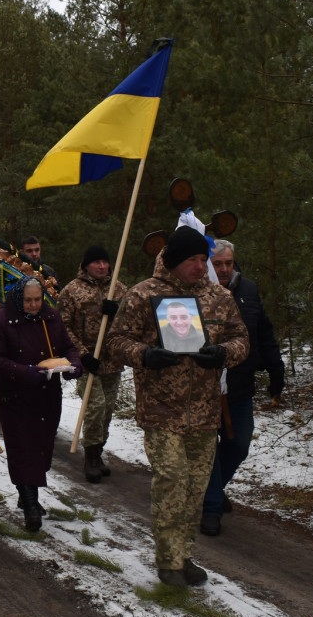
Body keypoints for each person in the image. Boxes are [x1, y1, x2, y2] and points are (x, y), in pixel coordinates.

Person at [106, 226, 249, 587]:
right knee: (172, 479)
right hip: (161, 409)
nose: (201, 267)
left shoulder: (219, 297)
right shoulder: (143, 294)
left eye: (204, 260)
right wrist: (145, 354)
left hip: (204, 412)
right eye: (193, 260)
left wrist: (224, 353)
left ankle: (183, 555)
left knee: (195, 487)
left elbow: (240, 339)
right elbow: (116, 341)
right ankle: (168, 560)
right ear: (173, 260)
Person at [200, 239, 286, 536]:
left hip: (240, 383)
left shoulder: (247, 290)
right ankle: (210, 507)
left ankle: (207, 489)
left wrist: (276, 369)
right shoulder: (197, 293)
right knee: (208, 447)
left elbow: (264, 332)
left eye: (228, 263)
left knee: (239, 443)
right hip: (204, 387)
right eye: (217, 263)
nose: (224, 269)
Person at [0, 276, 82, 531]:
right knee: (22, 450)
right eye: (28, 300)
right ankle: (30, 506)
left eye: (38, 299)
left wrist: (74, 366)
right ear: (19, 298)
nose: (33, 305)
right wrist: (22, 371)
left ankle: (26, 493)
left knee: (41, 449)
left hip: (47, 397)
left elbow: (68, 348)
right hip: (15, 397)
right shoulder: (3, 320)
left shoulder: (52, 318)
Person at [58, 245, 128, 483]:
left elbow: (133, 321)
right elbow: (63, 327)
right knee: (95, 406)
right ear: (86, 265)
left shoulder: (119, 289)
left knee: (107, 410)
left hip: (112, 361)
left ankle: (98, 453)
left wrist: (117, 311)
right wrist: (83, 354)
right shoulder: (72, 291)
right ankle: (90, 457)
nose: (101, 266)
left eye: (104, 262)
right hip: (87, 361)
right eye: (96, 262)